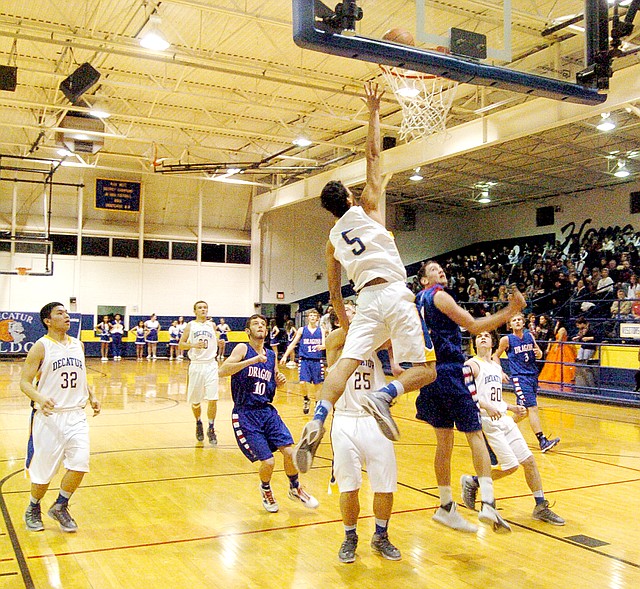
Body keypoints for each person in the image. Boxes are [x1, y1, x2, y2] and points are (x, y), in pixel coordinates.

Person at [294, 82, 436, 473]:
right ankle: (385, 396)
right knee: (425, 371)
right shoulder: (369, 207)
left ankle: (319, 417)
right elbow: (374, 155)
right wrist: (373, 111)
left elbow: (334, 293)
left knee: (343, 364)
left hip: (364, 303)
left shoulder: (332, 240)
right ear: (351, 199)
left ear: (329, 211)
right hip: (394, 292)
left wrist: (347, 323)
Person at [415, 260, 525, 534]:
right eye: (432, 269)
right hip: (450, 370)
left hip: (427, 372)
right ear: (424, 281)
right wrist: (511, 310)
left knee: (444, 442)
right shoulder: (438, 295)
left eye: (441, 268)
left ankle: (445, 506)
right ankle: (487, 501)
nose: (440, 271)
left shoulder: (415, 301)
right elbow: (475, 326)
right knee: (475, 434)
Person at [461, 332, 565, 525]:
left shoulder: (495, 366)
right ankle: (474, 481)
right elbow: (467, 394)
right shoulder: (471, 365)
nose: (482, 338)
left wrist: (511, 407)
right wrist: (486, 406)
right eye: (479, 336)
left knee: (529, 461)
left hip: (504, 418)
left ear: (493, 342)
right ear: (474, 342)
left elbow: (495, 397)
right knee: (510, 466)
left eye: (486, 335)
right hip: (486, 421)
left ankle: (541, 506)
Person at [219, 314, 318, 513]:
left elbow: (270, 380)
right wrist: (253, 360)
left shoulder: (271, 355)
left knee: (290, 452)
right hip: (245, 413)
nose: (260, 326)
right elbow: (223, 370)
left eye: (263, 324)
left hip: (267, 411)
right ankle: (265, 489)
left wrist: (278, 380)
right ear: (248, 331)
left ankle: (295, 487)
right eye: (255, 323)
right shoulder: (242, 348)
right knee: (268, 461)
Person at [327, 301, 402, 563]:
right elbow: (352, 332)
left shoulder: (372, 338)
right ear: (338, 317)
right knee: (349, 486)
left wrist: (392, 357)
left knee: (385, 484)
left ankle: (381, 535)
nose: (353, 314)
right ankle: (350, 536)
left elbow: (394, 336)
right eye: (347, 311)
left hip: (374, 418)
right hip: (345, 420)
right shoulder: (336, 339)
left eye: (355, 310)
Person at [21, 302, 101, 533]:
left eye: (66, 312)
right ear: (48, 320)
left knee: (80, 463)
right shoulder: (41, 347)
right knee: (43, 472)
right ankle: (33, 507)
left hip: (75, 414)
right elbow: (24, 382)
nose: (66, 316)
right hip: (49, 417)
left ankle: (60, 505)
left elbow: (80, 376)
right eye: (60, 313)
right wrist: (39, 398)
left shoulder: (78, 345)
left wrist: (91, 396)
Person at [493, 314, 559, 452]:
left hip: (532, 375)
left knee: (523, 412)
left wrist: (539, 353)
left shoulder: (530, 336)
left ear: (523, 323)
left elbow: (539, 353)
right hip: (520, 377)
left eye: (519, 320)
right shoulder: (507, 339)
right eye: (514, 320)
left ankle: (500, 430)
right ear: (510, 325)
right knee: (533, 407)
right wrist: (500, 371)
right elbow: (495, 355)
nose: (517, 322)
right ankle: (542, 440)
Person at [179, 301, 219, 445]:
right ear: (195, 311)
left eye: (205, 307)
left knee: (213, 398)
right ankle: (198, 423)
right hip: (196, 365)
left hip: (211, 365)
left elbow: (217, 340)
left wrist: (219, 342)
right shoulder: (191, 325)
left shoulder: (212, 325)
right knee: (196, 401)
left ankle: (211, 427)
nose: (203, 309)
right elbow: (181, 344)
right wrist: (193, 345)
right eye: (200, 308)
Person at [280, 309, 325, 415]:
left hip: (317, 360)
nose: (313, 317)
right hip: (304, 360)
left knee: (318, 385)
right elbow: (293, 344)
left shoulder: (321, 330)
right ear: (308, 318)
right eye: (311, 315)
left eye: (315, 315)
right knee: (302, 382)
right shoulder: (301, 330)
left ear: (317, 318)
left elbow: (325, 344)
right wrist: (285, 356)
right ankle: (306, 399)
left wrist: (323, 346)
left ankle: (317, 403)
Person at [538, 318, 576, 389]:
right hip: (557, 345)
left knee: (560, 362)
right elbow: (554, 334)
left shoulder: (562, 329)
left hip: (561, 347)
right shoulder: (558, 329)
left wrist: (556, 347)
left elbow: (560, 339)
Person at [572, 316, 598, 390]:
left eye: (579, 325)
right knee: (579, 360)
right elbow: (582, 336)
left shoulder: (592, 327)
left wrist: (588, 338)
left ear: (583, 323)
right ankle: (581, 380)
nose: (578, 327)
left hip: (590, 346)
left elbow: (597, 337)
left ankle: (589, 383)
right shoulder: (582, 330)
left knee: (585, 363)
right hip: (584, 346)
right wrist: (577, 338)